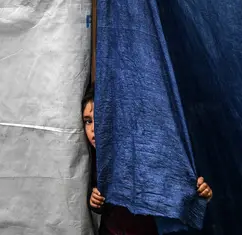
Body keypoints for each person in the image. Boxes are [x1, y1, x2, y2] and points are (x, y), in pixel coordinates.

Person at [81, 84, 213, 235]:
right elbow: (101, 203)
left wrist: (201, 193)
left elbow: (173, 186)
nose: (93, 129)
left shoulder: (141, 153)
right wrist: (95, 202)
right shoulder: (89, 158)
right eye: (88, 121)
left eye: (100, 119)